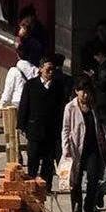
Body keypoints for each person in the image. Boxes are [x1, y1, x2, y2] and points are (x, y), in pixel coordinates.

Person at [59, 80, 106, 212]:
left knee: (93, 179)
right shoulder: (70, 107)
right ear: (76, 91)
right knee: (75, 181)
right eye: (82, 91)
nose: (85, 95)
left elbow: (100, 127)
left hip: (93, 148)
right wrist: (66, 149)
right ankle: (77, 208)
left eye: (88, 92)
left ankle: (89, 207)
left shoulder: (94, 106)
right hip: (76, 149)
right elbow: (66, 129)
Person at [18, 55, 70, 185]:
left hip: (52, 130)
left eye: (53, 69)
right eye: (48, 69)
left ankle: (46, 186)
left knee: (48, 160)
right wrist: (21, 125)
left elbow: (62, 107)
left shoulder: (58, 86)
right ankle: (31, 185)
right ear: (40, 69)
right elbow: (24, 105)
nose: (51, 72)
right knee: (33, 158)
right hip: (34, 129)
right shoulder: (31, 85)